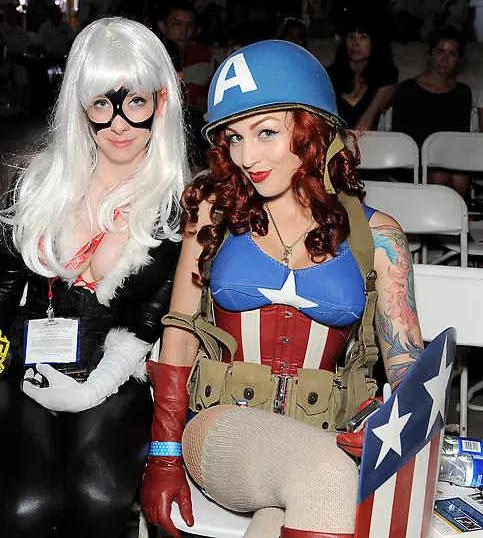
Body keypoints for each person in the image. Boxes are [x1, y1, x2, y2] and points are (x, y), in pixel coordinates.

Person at [141, 40, 421, 538]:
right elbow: (179, 333)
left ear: (314, 130)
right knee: (326, 477)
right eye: (234, 137)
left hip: (327, 436)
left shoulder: (380, 236)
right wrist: (164, 455)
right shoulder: (213, 214)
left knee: (303, 504)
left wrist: (389, 423)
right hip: (222, 429)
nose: (246, 156)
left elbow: (407, 368)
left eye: (266, 132)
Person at [0, 16, 187, 538]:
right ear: (81, 106)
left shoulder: (176, 203)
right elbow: (0, 294)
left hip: (114, 379)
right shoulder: (40, 185)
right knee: (27, 505)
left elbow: (149, 318)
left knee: (96, 498)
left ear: (160, 102)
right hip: (22, 370)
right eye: (103, 103)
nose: (119, 124)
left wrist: (93, 390)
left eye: (135, 101)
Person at [393, 26, 472, 195]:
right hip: (415, 160)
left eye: (452, 54)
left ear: (458, 59)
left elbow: (460, 136)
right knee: (439, 176)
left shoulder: (463, 92)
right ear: (430, 54)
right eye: (439, 52)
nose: (444, 59)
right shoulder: (409, 89)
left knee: (459, 178)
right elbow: (401, 134)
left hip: (449, 158)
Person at [326, 20, 398, 130]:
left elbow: (366, 121)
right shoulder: (331, 74)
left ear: (375, 42)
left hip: (368, 137)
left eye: (363, 37)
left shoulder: (387, 75)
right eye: (350, 36)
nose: (355, 43)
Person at [158, 1, 216, 113]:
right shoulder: (151, 58)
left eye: (190, 25)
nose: (184, 31)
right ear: (163, 27)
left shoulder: (203, 55)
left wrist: (206, 92)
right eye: (177, 24)